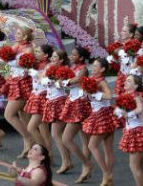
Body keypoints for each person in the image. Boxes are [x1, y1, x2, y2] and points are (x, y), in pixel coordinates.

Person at [59, 47, 93, 183]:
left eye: (74, 54)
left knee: (66, 139)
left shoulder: (83, 69)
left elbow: (76, 80)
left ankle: (87, 164)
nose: (71, 56)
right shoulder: (72, 67)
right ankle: (86, 166)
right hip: (73, 101)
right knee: (85, 139)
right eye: (71, 54)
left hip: (79, 104)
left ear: (82, 58)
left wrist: (63, 81)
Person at [82, 57, 118, 186]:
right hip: (101, 113)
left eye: (96, 66)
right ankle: (109, 177)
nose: (93, 67)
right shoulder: (93, 80)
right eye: (93, 65)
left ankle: (106, 173)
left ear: (102, 69)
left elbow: (109, 95)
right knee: (107, 148)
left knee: (92, 146)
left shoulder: (101, 81)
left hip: (102, 115)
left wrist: (95, 95)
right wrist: (87, 95)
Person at [3, 27, 35, 159]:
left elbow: (22, 64)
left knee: (9, 114)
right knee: (23, 117)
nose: (16, 35)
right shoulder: (17, 45)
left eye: (19, 33)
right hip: (14, 82)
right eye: (16, 32)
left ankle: (30, 138)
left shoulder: (29, 49)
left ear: (25, 37)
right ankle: (28, 147)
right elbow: (8, 56)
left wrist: (8, 59)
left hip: (23, 83)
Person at [117, 75, 143, 186]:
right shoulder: (128, 96)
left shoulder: (135, 97)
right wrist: (119, 112)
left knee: (135, 167)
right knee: (139, 167)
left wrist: (128, 114)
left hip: (136, 131)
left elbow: (140, 109)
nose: (125, 81)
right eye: (126, 80)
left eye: (129, 81)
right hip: (132, 129)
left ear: (135, 86)